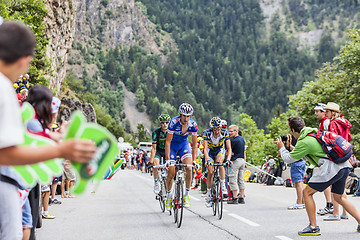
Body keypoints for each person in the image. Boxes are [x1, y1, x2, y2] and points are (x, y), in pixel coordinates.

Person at [0, 21, 96, 240]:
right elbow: (5, 153)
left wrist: (56, 138)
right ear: (25, 60)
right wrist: (60, 150)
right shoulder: (3, 88)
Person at [274, 117, 360, 235]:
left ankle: (313, 226)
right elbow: (308, 154)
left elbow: (288, 159)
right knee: (339, 197)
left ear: (292, 130)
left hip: (332, 169)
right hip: (344, 166)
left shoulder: (304, 142)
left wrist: (281, 148)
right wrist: (286, 151)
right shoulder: (314, 134)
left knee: (307, 193)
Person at [165, 103, 198, 209]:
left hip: (184, 145)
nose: (186, 118)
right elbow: (168, 142)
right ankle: (169, 197)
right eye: (184, 115)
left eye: (188, 116)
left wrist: (195, 160)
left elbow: (194, 145)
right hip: (173, 146)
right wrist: (167, 160)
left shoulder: (193, 125)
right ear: (180, 114)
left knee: (189, 168)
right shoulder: (173, 122)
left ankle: (186, 196)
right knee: (171, 173)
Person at [324, 102, 352, 221]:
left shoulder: (333, 124)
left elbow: (332, 139)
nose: (326, 113)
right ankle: (344, 212)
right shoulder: (344, 122)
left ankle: (335, 213)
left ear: (332, 112)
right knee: (341, 186)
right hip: (346, 154)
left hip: (337, 155)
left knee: (333, 184)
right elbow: (348, 138)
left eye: (327, 111)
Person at [203, 117, 231, 207]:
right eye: (215, 129)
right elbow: (205, 149)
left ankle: (223, 187)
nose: (217, 131)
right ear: (212, 128)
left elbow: (229, 148)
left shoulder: (224, 132)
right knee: (210, 172)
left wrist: (229, 159)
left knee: (220, 163)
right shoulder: (207, 133)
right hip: (210, 151)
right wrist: (207, 160)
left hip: (219, 150)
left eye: (218, 128)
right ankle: (208, 194)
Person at [313, 103, 333, 216]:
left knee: (327, 180)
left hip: (328, 155)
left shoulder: (326, 122)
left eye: (317, 111)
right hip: (328, 155)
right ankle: (332, 206)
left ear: (323, 112)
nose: (316, 113)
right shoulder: (323, 122)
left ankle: (330, 205)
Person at [150, 114, 171, 194]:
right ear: (160, 123)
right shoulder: (156, 132)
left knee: (170, 167)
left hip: (167, 151)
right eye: (163, 123)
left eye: (166, 122)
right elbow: (153, 148)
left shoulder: (171, 132)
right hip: (159, 150)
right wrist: (151, 161)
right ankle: (156, 182)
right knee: (155, 164)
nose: (165, 124)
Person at [227, 125, 246, 204]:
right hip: (242, 160)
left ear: (236, 131)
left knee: (232, 179)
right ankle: (241, 197)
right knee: (241, 179)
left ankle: (234, 198)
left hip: (235, 161)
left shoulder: (233, 141)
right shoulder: (242, 139)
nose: (229, 133)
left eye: (231, 131)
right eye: (229, 131)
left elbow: (229, 151)